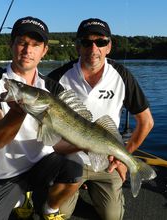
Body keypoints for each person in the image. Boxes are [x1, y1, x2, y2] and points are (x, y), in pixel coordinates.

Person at [0, 16, 83, 220]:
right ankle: (24, 197)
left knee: (76, 164)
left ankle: (49, 210)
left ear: (44, 51)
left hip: (44, 165)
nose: (28, 50)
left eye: (35, 45)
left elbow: (58, 145)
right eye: (22, 43)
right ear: (12, 44)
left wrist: (86, 145)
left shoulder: (53, 88)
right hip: (5, 175)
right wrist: (18, 111)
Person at [47, 18, 154, 220]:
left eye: (101, 42)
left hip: (107, 160)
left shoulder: (121, 75)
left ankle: (91, 187)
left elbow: (146, 122)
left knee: (112, 216)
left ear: (109, 46)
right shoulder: (59, 77)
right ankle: (75, 187)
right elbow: (29, 90)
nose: (93, 48)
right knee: (60, 214)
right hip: (69, 159)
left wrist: (124, 158)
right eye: (87, 42)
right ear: (78, 46)